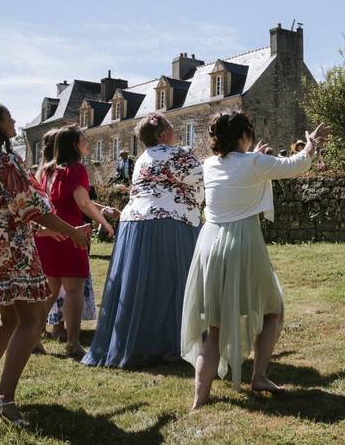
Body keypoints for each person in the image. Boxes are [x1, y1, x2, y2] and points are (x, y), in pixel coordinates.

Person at [181, 112, 329, 409]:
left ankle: (200, 397)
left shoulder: (209, 165)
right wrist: (311, 144)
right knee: (272, 308)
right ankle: (259, 375)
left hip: (210, 244)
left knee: (215, 328)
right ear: (243, 136)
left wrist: (255, 160)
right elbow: (298, 164)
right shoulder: (255, 163)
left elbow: (239, 173)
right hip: (243, 242)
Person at [0, 101, 89, 427]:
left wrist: (46, 230)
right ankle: (4, 398)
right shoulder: (5, 161)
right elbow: (32, 207)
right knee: (31, 319)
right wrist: (71, 232)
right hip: (12, 249)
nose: (14, 120)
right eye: (8, 117)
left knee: (9, 320)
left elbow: (6, 210)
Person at [84, 113, 203, 368]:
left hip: (134, 224)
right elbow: (202, 176)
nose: (173, 127)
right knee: (172, 283)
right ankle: (170, 344)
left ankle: (139, 343)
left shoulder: (141, 159)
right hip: (168, 222)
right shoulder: (177, 154)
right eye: (169, 125)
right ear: (161, 135)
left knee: (140, 285)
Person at [35, 126, 115, 358]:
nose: (88, 144)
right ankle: (73, 342)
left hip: (48, 234)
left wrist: (102, 212)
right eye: (84, 141)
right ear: (74, 145)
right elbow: (83, 202)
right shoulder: (76, 169)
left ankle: (33, 336)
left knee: (50, 289)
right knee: (74, 288)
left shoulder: (45, 171)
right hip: (71, 233)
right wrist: (105, 223)